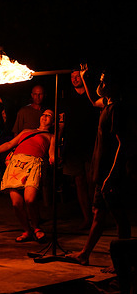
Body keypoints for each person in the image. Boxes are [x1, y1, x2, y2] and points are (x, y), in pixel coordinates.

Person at [66, 65, 130, 270]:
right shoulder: (107, 104)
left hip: (111, 173)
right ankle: (84, 254)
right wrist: (85, 78)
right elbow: (93, 101)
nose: (100, 85)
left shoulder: (117, 108)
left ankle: (123, 263)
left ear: (113, 85)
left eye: (103, 81)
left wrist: (111, 175)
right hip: (103, 172)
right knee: (98, 214)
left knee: (120, 217)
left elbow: (124, 145)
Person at [0, 109, 55, 243]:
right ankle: (27, 230)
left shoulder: (51, 136)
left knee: (30, 199)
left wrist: (53, 158)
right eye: (43, 114)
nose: (45, 117)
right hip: (16, 163)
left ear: (52, 122)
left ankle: (36, 228)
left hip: (33, 163)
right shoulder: (26, 131)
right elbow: (10, 144)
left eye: (49, 116)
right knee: (16, 203)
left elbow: (52, 153)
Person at [60, 68, 99, 229]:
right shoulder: (67, 97)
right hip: (73, 144)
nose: (75, 79)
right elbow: (62, 121)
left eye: (77, 76)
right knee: (79, 181)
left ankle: (97, 217)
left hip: (91, 143)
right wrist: (59, 144)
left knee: (92, 181)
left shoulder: (92, 95)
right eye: (72, 77)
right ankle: (86, 218)